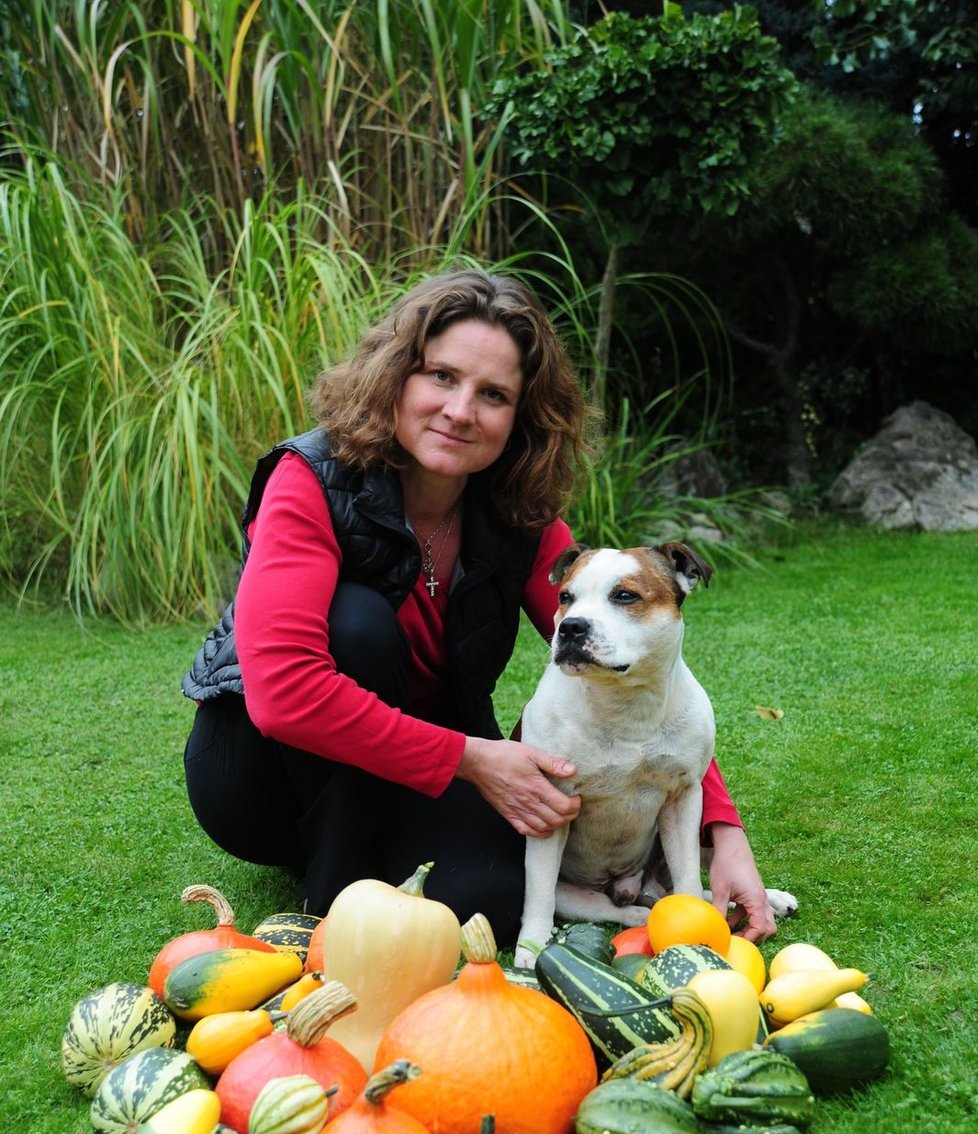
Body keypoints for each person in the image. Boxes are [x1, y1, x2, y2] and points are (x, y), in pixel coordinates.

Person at [182, 268, 778, 944]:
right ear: (396, 376)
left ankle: (376, 854)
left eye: (492, 394)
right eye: (440, 375)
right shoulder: (310, 480)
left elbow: (636, 665)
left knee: (491, 897)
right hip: (262, 775)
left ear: (520, 416)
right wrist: (474, 759)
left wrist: (724, 833)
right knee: (359, 624)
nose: (460, 410)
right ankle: (333, 895)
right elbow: (284, 693)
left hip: (413, 758)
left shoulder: (518, 513)